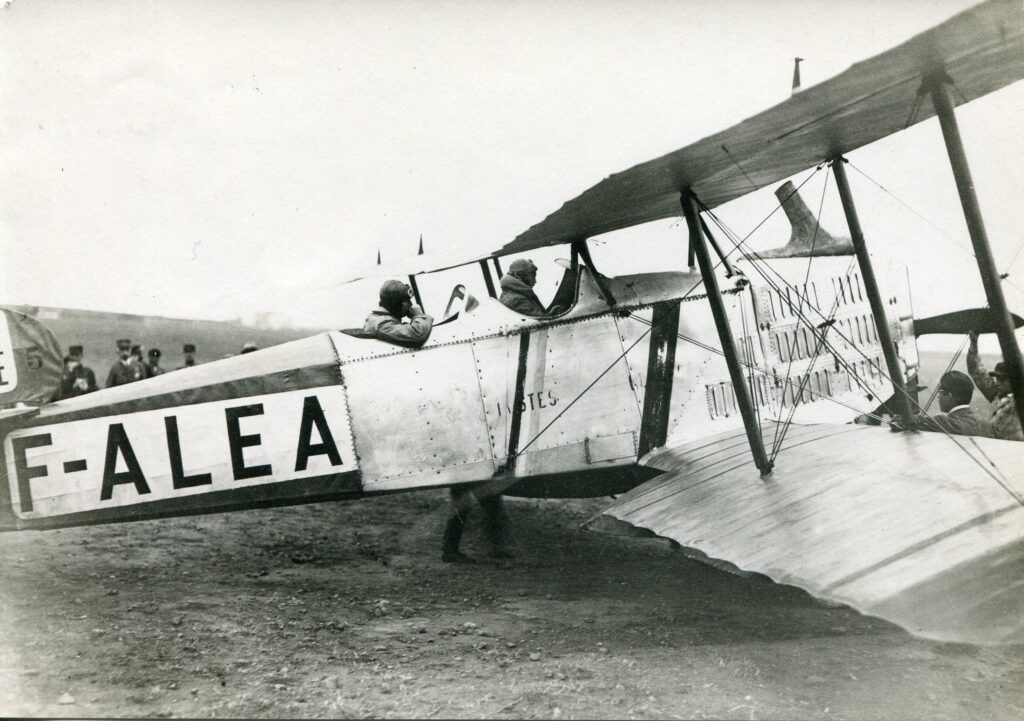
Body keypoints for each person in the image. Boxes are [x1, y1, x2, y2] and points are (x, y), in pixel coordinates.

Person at [895, 370, 993, 438]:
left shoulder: (945, 423)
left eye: (940, 392)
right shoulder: (987, 426)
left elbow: (908, 421)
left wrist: (898, 418)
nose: (938, 396)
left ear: (949, 396)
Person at [967, 331, 1023, 441]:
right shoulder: (996, 394)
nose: (997, 383)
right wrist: (973, 343)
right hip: (993, 449)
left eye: (1002, 379)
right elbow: (976, 371)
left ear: (1014, 381)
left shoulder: (1019, 401)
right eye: (996, 379)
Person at [442, 487, 514, 563]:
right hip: (461, 477)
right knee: (460, 505)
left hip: (477, 475)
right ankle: (450, 551)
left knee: (491, 500)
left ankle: (496, 547)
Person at [364, 280, 434, 347]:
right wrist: (418, 316)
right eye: (407, 300)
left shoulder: (378, 318)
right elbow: (416, 335)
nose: (410, 304)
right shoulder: (382, 324)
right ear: (395, 304)